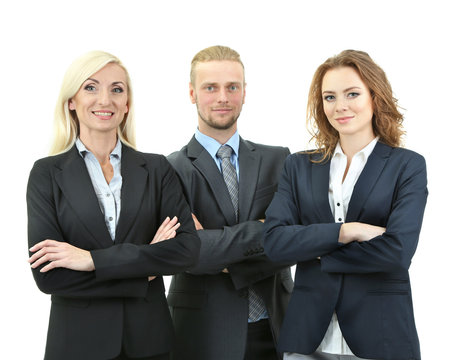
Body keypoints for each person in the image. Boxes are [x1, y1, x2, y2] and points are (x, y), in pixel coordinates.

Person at [27, 50, 200, 360]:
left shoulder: (157, 168)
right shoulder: (46, 174)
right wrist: (144, 268)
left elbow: (187, 250)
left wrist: (91, 260)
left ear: (127, 104)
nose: (105, 100)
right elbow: (49, 275)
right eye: (91, 87)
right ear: (71, 101)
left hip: (150, 344)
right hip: (76, 346)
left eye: (116, 89)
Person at [263, 49, 428, 360]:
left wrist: (316, 253)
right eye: (329, 97)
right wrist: (346, 231)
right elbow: (274, 243)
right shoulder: (298, 166)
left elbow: (398, 252)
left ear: (375, 97)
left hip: (381, 336)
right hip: (307, 338)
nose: (340, 106)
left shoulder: (407, 166)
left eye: (352, 93)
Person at [166, 45, 294, 360]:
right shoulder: (168, 170)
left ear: (244, 92)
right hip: (202, 335)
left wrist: (215, 249)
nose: (223, 97)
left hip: (279, 329)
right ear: (192, 93)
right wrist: (266, 232)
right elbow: (186, 254)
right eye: (211, 87)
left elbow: (293, 243)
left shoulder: (279, 159)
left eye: (232, 87)